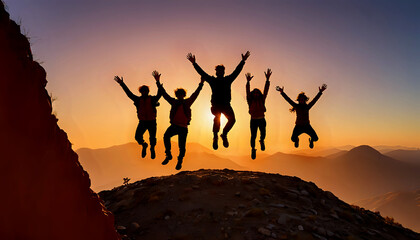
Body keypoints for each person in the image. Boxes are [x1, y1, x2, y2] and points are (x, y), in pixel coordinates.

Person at [187, 51, 250, 150]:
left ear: (224, 72)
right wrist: (194, 63)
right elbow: (202, 73)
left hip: (226, 104)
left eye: (221, 71)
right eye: (218, 71)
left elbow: (236, 71)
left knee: (232, 120)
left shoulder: (228, 79)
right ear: (216, 72)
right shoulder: (213, 80)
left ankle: (224, 134)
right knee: (217, 117)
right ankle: (215, 136)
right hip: (216, 105)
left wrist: (243, 61)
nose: (220, 72)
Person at [153, 70, 204, 170]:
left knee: (182, 146)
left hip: (183, 127)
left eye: (181, 95)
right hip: (175, 126)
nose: (180, 96)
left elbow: (195, 94)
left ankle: (180, 161)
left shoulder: (187, 102)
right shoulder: (174, 102)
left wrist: (201, 83)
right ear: (177, 95)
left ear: (183, 95)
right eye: (178, 95)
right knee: (166, 136)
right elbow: (164, 94)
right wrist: (158, 82)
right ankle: (168, 155)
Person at [114, 76, 161, 159]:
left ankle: (152, 149)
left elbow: (160, 93)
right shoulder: (138, 100)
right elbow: (129, 94)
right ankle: (144, 144)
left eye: (145, 91)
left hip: (152, 121)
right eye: (143, 91)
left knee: (152, 138)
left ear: (147, 91)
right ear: (141, 92)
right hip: (142, 122)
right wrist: (122, 84)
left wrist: (158, 81)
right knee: (137, 137)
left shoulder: (152, 99)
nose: (144, 92)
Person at [276, 84, 327, 148]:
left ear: (305, 100)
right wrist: (282, 92)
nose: (301, 100)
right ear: (299, 100)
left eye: (303, 99)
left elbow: (315, 100)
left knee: (316, 138)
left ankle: (311, 140)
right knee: (293, 139)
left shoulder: (307, 107)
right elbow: (288, 100)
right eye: (300, 99)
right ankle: (297, 140)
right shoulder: (296, 106)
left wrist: (320, 92)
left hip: (307, 126)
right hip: (298, 126)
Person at [246, 69, 271, 159]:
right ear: (252, 94)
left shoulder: (262, 99)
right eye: (254, 93)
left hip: (261, 119)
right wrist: (248, 83)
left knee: (263, 133)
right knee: (253, 136)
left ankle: (262, 141)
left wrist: (267, 80)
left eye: (257, 93)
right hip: (253, 120)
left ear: (259, 94)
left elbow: (266, 90)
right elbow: (247, 92)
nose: (256, 94)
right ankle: (253, 149)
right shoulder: (250, 100)